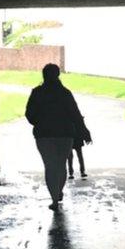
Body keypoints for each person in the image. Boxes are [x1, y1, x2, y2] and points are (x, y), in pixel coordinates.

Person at [25, 63, 87, 210]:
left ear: (43, 75)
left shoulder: (37, 93)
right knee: (61, 165)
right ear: (58, 75)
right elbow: (75, 114)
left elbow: (29, 114)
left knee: (50, 166)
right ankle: (58, 191)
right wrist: (83, 130)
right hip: (65, 135)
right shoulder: (65, 93)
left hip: (44, 135)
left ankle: (54, 198)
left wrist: (39, 122)